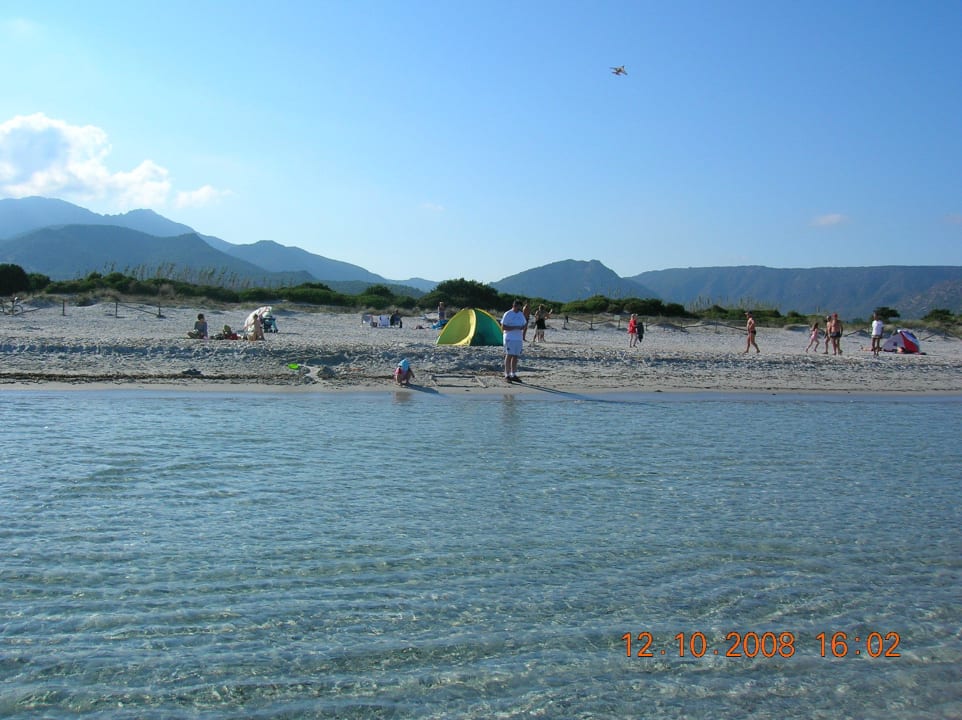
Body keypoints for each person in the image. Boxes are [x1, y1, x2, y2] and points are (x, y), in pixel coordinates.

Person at [500, 299, 527, 382]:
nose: (519, 309)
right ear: (514, 306)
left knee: (515, 356)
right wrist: (514, 328)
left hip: (518, 338)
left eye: (520, 307)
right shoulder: (508, 314)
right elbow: (503, 327)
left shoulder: (520, 314)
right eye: (518, 307)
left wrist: (522, 328)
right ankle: (507, 375)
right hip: (509, 338)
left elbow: (524, 324)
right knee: (509, 355)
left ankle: (513, 374)